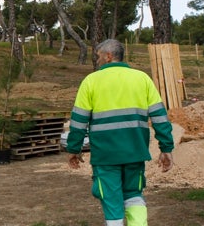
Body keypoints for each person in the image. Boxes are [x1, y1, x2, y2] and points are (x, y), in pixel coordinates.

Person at [65, 39, 174, 226]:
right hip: (135, 152)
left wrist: (74, 149)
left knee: (110, 197)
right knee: (134, 194)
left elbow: (79, 121)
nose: (97, 61)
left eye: (98, 56)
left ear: (108, 56)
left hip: (106, 155)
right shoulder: (142, 79)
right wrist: (167, 148)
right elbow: (159, 117)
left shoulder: (91, 81)